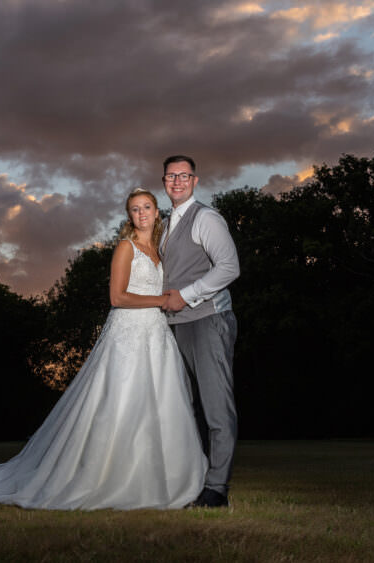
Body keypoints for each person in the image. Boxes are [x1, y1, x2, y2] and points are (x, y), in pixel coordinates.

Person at [0, 188, 206, 509]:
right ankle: (106, 477)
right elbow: (117, 297)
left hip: (157, 334)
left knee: (161, 403)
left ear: (156, 212)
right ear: (130, 216)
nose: (141, 213)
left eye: (147, 207)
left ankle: (163, 478)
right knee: (120, 402)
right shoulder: (126, 248)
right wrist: (161, 300)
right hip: (127, 333)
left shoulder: (163, 251)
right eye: (135, 209)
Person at [160, 155, 240, 508]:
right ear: (164, 182)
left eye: (183, 175)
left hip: (208, 320)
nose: (177, 181)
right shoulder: (163, 225)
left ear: (194, 181)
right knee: (184, 408)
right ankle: (193, 479)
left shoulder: (205, 217)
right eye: (170, 176)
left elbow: (229, 267)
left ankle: (217, 490)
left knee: (216, 407)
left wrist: (188, 296)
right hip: (174, 327)